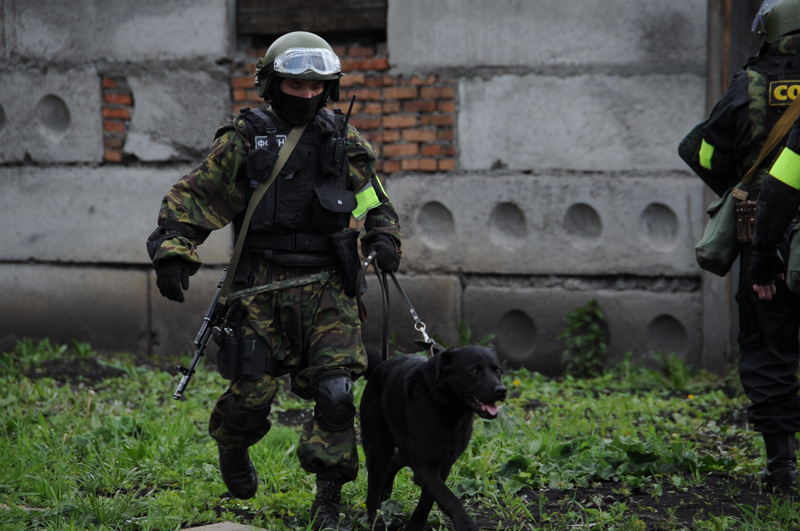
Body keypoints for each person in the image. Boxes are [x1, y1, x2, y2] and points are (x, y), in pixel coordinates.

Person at [146, 31, 402, 530]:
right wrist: (174, 250)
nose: (307, 96)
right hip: (259, 288)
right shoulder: (245, 139)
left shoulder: (344, 140)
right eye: (295, 85)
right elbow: (193, 197)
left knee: (336, 394)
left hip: (328, 286)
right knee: (250, 398)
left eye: (317, 87)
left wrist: (383, 234)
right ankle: (233, 443)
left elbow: (374, 199)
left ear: (328, 89)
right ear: (272, 83)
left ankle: (328, 502)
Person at [679, 0, 800, 491]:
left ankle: (781, 467)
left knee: (768, 348)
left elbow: (705, 151)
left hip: (765, 241)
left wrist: (739, 186)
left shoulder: (748, 86)